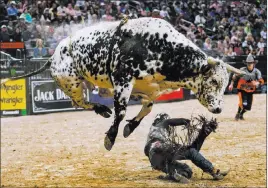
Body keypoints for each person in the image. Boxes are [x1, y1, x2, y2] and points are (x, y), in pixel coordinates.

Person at [144, 113, 229, 183]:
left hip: (155, 160)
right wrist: (187, 122)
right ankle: (213, 171)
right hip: (161, 148)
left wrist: (202, 135)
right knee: (190, 152)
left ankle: (174, 173)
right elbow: (192, 151)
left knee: (186, 171)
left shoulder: (151, 135)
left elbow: (147, 151)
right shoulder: (162, 123)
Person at [228, 53, 264, 120]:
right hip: (242, 88)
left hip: (250, 90)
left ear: (254, 63)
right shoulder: (242, 70)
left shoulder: (257, 72)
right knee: (243, 103)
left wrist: (257, 83)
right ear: (246, 63)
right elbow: (234, 77)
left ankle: (241, 114)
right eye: (248, 63)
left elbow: (261, 81)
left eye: (251, 63)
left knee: (248, 107)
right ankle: (238, 114)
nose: (249, 64)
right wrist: (231, 84)